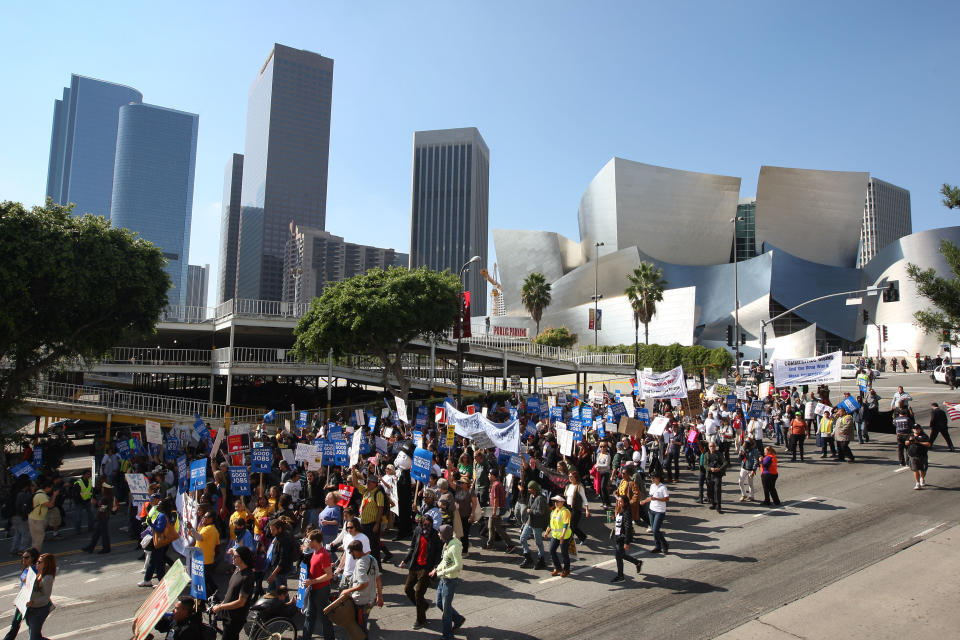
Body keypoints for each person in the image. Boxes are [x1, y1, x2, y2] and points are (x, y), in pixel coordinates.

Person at [399, 513, 441, 629]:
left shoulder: (435, 535)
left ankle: (421, 619)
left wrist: (436, 566)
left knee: (418, 593)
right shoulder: (418, 531)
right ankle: (423, 605)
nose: (427, 527)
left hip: (426, 568)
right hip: (415, 565)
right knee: (408, 589)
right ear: (421, 524)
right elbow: (413, 547)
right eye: (425, 524)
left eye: (429, 524)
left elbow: (438, 551)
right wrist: (406, 560)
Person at [339, 540, 384, 636]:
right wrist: (379, 596)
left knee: (360, 628)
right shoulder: (372, 559)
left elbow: (364, 584)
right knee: (363, 623)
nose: (351, 555)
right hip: (370, 600)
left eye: (351, 552)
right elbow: (378, 579)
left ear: (355, 551)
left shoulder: (360, 564)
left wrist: (347, 590)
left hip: (361, 602)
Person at [211, 545, 255, 640]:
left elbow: (241, 602)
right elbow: (230, 593)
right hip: (228, 615)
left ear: (243, 558)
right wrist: (221, 604)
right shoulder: (237, 570)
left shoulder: (247, 577)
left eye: (235, 556)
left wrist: (220, 607)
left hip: (235, 618)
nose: (233, 558)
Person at [430, 524, 465, 640]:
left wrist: (443, 572)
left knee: (446, 611)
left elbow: (458, 565)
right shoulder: (447, 544)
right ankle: (458, 619)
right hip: (444, 579)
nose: (438, 534)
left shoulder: (454, 547)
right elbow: (445, 561)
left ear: (444, 535)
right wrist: (436, 569)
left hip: (449, 580)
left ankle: (448, 635)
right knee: (439, 603)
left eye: (439, 532)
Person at [302, 532, 335, 640]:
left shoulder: (323, 554)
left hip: (321, 590)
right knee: (310, 615)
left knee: (324, 617)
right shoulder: (315, 552)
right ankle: (305, 637)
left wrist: (312, 581)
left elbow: (329, 575)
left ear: (315, 541)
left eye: (309, 540)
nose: (307, 542)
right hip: (314, 588)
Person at [140, 497, 177, 587]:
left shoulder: (162, 516)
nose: (157, 506)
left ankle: (160, 582)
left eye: (159, 504)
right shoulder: (164, 514)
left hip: (159, 542)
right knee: (154, 561)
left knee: (158, 562)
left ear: (163, 507)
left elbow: (160, 529)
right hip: (161, 542)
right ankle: (147, 580)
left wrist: (151, 524)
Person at [3, 548, 38, 640]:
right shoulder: (27, 568)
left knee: (26, 626)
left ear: (33, 558)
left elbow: (34, 587)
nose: (24, 559)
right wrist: (18, 599)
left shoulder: (34, 570)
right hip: (22, 602)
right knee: (16, 624)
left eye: (26, 557)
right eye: (23, 557)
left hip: (28, 603)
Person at [184, 509, 220, 599]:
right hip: (204, 557)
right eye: (203, 517)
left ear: (211, 519)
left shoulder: (209, 529)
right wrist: (192, 531)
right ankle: (213, 590)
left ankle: (211, 592)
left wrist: (191, 528)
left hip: (205, 558)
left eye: (205, 517)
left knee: (204, 577)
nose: (203, 519)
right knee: (206, 576)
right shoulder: (207, 528)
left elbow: (200, 537)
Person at [610, 495, 643, 583]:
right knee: (622, 555)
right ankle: (637, 562)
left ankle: (620, 576)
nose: (619, 503)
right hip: (618, 536)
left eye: (621, 502)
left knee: (618, 557)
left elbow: (628, 528)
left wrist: (626, 542)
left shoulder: (627, 512)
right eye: (618, 501)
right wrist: (614, 518)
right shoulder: (621, 509)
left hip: (622, 538)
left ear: (625, 502)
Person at [25, 553, 56, 640]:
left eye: (39, 562)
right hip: (32, 609)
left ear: (46, 564)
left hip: (39, 610)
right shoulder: (39, 574)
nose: (37, 564)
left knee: (34, 638)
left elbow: (46, 597)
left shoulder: (47, 578)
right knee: (36, 636)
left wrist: (33, 602)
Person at [518, 481, 548, 570]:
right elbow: (529, 506)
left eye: (530, 488)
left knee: (538, 542)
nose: (528, 490)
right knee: (522, 538)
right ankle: (527, 557)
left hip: (537, 524)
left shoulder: (541, 498)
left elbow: (541, 512)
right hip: (530, 522)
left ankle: (541, 559)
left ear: (534, 489)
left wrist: (530, 511)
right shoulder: (531, 496)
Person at [483, 470, 515, 553]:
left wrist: (494, 512)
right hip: (494, 509)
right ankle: (490, 544)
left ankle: (510, 545)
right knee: (490, 526)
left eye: (489, 475)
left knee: (498, 528)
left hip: (496, 510)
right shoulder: (497, 484)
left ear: (494, 476)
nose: (488, 476)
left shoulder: (496, 485)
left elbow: (496, 499)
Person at [640, 472, 670, 554]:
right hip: (651, 509)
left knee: (656, 529)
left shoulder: (663, 487)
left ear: (658, 478)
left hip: (659, 511)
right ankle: (657, 546)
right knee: (653, 529)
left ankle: (664, 544)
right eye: (651, 478)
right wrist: (644, 501)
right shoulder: (652, 486)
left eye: (653, 478)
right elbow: (651, 497)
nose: (652, 479)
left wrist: (657, 499)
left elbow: (667, 499)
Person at [545, 495, 573, 577]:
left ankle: (566, 569)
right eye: (555, 501)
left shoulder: (565, 511)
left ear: (562, 502)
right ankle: (558, 568)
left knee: (564, 553)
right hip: (555, 535)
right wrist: (547, 532)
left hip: (564, 536)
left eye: (557, 501)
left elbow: (566, 524)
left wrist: (562, 536)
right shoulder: (554, 511)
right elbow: (551, 523)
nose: (556, 503)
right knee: (551, 551)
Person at [28, 479, 58, 552]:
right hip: (37, 520)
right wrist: (54, 495)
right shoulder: (41, 495)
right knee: (38, 539)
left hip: (34, 518)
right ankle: (35, 555)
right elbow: (50, 505)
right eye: (51, 488)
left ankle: (33, 554)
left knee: (35, 539)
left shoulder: (40, 493)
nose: (51, 490)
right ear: (47, 487)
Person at [82, 484, 112, 554]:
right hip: (104, 517)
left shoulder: (105, 498)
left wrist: (97, 518)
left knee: (103, 534)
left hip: (103, 517)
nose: (101, 489)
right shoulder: (108, 497)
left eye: (102, 488)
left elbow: (102, 509)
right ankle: (91, 547)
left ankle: (106, 548)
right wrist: (95, 503)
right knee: (97, 533)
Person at [565, 470, 590, 545]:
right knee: (570, 525)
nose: (570, 478)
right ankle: (571, 540)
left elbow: (584, 498)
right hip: (568, 507)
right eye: (569, 476)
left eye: (571, 476)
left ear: (575, 478)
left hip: (576, 508)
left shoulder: (579, 487)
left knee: (573, 526)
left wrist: (587, 510)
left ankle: (582, 537)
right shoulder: (569, 486)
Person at [906, 424, 932, 489]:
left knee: (922, 469)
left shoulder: (924, 436)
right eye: (914, 428)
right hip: (913, 455)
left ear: (920, 429)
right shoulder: (910, 435)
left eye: (917, 428)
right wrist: (909, 441)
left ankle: (922, 478)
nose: (915, 430)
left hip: (922, 455)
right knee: (915, 469)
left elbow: (928, 444)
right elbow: (906, 443)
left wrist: (918, 442)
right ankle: (917, 483)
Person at [705, 442, 727, 514]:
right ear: (709, 447)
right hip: (710, 475)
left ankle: (718, 506)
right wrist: (710, 469)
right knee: (710, 491)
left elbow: (725, 462)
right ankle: (713, 504)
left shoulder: (719, 454)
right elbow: (704, 465)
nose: (712, 447)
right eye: (711, 446)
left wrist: (719, 469)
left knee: (717, 490)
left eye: (713, 446)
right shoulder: (706, 454)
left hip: (717, 475)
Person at [71, 469, 94, 535]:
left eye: (89, 474)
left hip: (87, 500)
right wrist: (80, 501)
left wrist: (92, 497)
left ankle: (91, 528)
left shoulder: (89, 481)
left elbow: (91, 490)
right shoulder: (78, 483)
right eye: (88, 474)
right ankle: (77, 530)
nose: (89, 475)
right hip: (79, 502)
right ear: (84, 475)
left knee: (91, 515)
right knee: (78, 516)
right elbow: (76, 495)